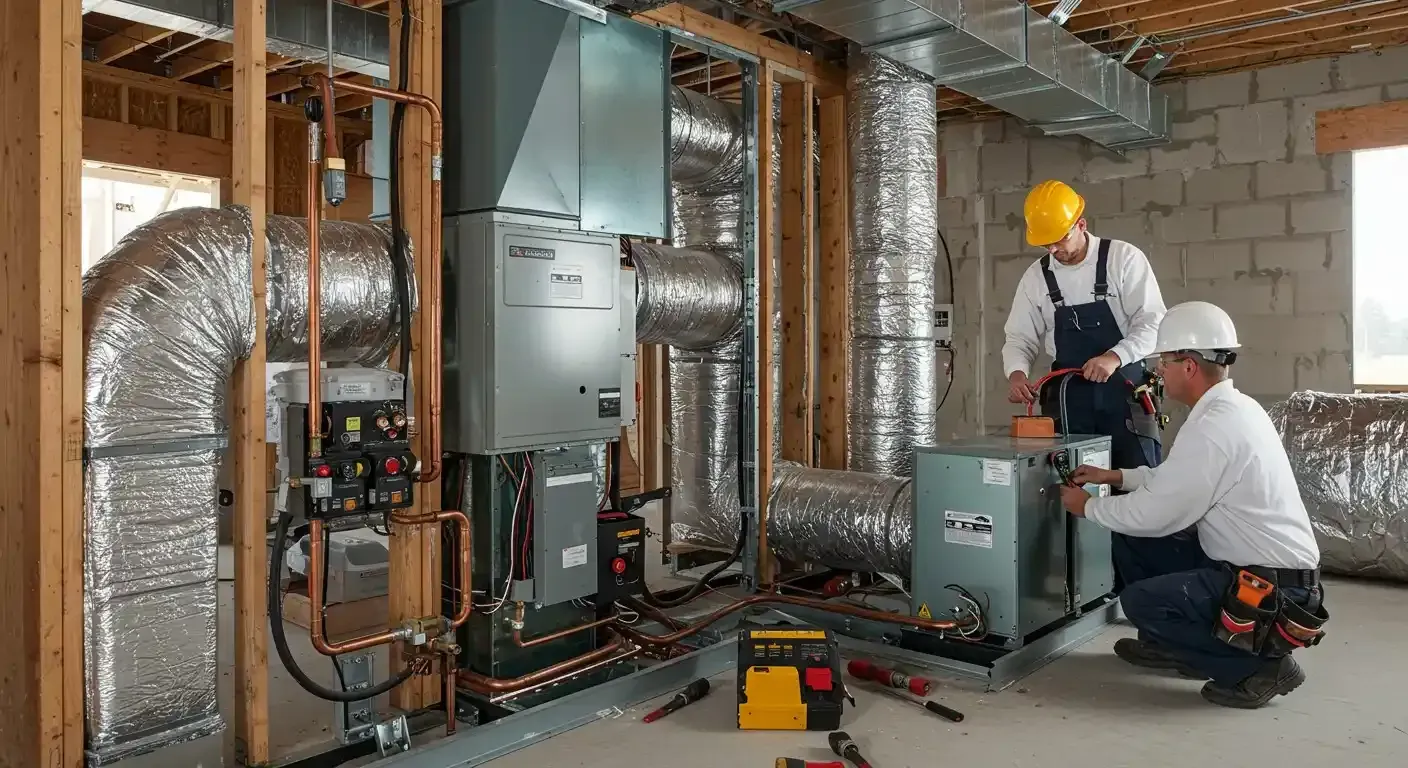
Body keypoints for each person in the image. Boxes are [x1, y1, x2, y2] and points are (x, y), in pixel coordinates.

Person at [1058, 301, 1327, 709]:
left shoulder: (1215, 426)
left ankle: (1258, 669)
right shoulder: (1228, 410)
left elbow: (1157, 513)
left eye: (1164, 361)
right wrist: (1114, 477)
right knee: (1132, 541)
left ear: (1189, 365)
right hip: (1258, 569)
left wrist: (1087, 508)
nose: (1158, 372)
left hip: (1272, 590)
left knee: (1141, 601)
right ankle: (1169, 646)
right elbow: (1175, 482)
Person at [1003, 179, 1169, 591]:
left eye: (1058, 240)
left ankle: (1149, 589)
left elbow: (1154, 323)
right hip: (1068, 397)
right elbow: (1019, 337)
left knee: (1136, 483)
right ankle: (1082, 586)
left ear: (1082, 223)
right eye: (1045, 245)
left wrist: (1115, 356)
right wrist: (1017, 372)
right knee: (1070, 483)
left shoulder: (1123, 260)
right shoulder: (1036, 278)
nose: (1053, 251)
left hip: (1124, 390)